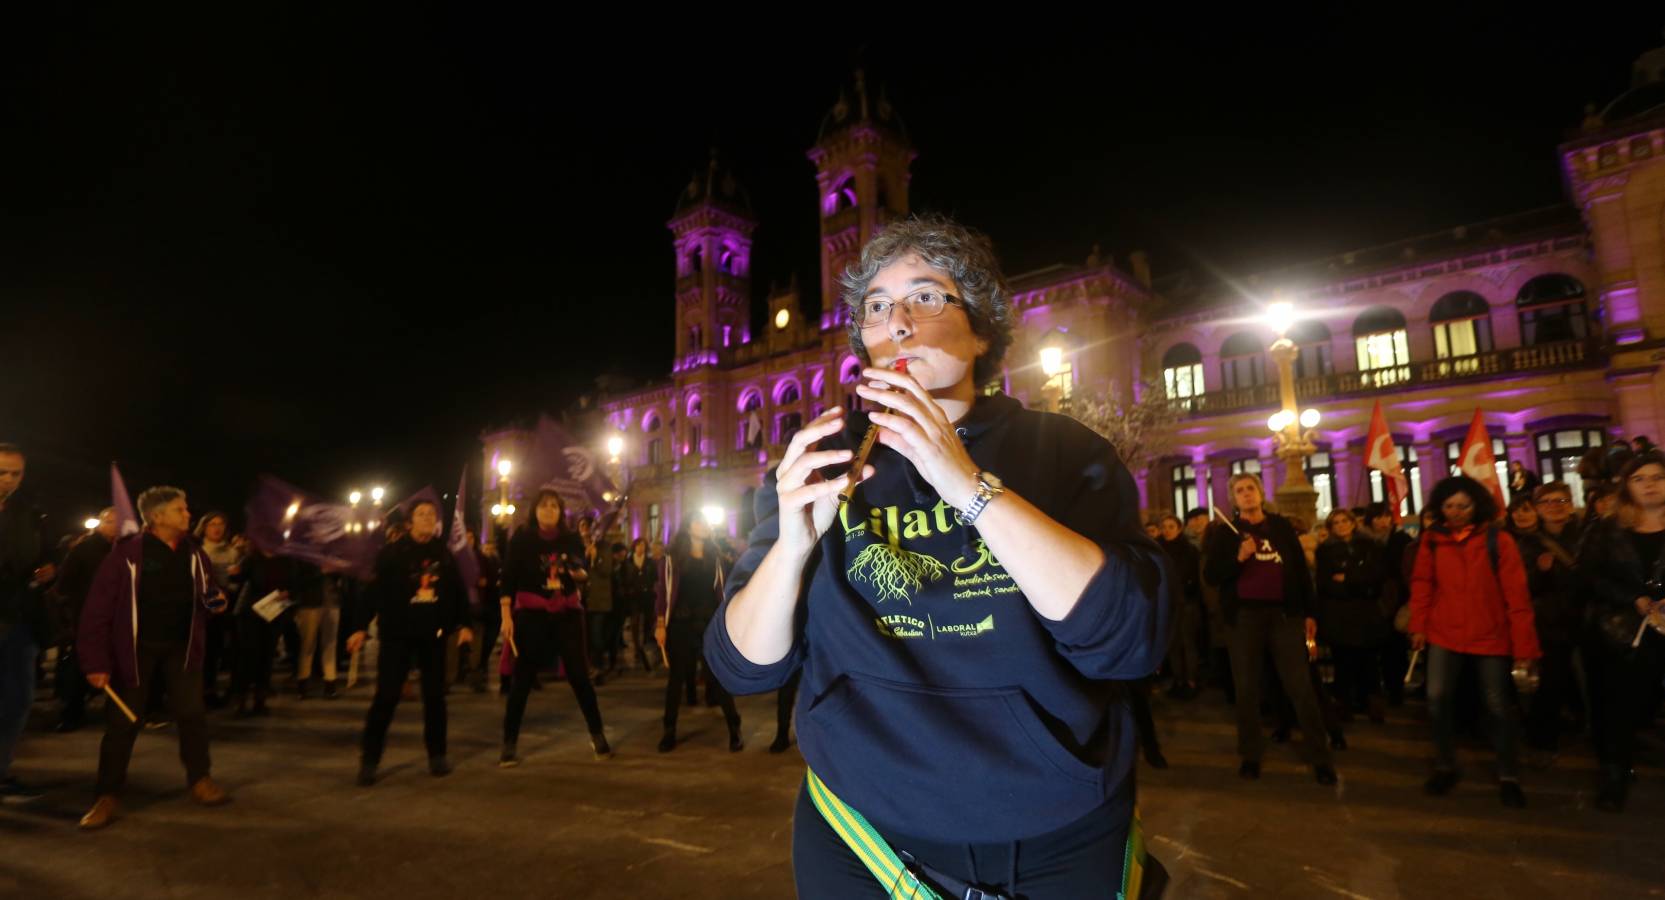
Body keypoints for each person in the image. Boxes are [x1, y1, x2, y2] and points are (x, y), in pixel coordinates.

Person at [706, 216, 1169, 896]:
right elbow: (742, 667)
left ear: (982, 329)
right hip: (860, 833)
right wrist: (792, 545)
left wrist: (966, 485)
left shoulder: (1064, 453)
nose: (896, 322)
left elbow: (1128, 641)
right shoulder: (824, 463)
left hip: (1054, 834)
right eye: (874, 306)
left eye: (925, 297)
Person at [76, 486, 230, 829]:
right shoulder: (127, 555)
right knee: (122, 723)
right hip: (135, 652)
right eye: (180, 509)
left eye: (186, 508)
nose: (188, 514)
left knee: (192, 715)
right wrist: (96, 663)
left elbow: (209, 593)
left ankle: (200, 779)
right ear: (157, 517)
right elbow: (96, 612)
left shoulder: (194, 553)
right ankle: (107, 795)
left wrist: (216, 601)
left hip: (182, 649)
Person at [1409, 475, 1539, 808]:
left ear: (1476, 505)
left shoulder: (1499, 540)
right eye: (1449, 506)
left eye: (1463, 505)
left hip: (1490, 634)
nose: (1455, 512)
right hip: (1444, 631)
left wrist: (1524, 647)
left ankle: (1508, 773)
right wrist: (1418, 626)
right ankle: (1445, 764)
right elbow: (1423, 584)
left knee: (1496, 707)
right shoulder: (1432, 540)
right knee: (1437, 700)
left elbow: (1517, 596)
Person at [1203, 474, 1336, 784]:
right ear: (1233, 500)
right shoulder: (1226, 534)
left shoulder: (1280, 526)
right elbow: (1212, 575)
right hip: (1245, 619)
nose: (1246, 494)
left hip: (1284, 616)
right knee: (1247, 689)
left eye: (1251, 488)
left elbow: (1300, 572)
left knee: (1300, 687)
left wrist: (1308, 612)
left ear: (1261, 493)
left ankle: (1320, 756)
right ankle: (1250, 754)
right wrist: (1238, 557)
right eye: (1239, 491)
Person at [348, 498, 473, 785]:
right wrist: (359, 627)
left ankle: (437, 755)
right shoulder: (392, 553)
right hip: (397, 635)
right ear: (410, 522)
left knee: (435, 697)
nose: (428, 518)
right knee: (386, 697)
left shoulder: (442, 553)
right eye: (422, 514)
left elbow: (456, 591)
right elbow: (372, 592)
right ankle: (370, 759)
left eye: (432, 514)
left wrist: (464, 623)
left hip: (432, 635)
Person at [1576, 450, 1665, 811]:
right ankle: (1615, 771)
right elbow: (1587, 576)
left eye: (1658, 477)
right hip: (1620, 632)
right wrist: (1634, 598)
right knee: (1617, 705)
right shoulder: (1607, 528)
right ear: (1627, 485)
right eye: (1639, 478)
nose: (1650, 486)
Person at [497, 490, 609, 766]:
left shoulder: (570, 539)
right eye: (544, 506)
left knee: (580, 677)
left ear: (561, 512)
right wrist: (506, 617)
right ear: (535, 510)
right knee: (522, 680)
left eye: (554, 507)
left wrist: (579, 572)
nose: (549, 511)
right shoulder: (522, 539)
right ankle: (509, 743)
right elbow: (508, 578)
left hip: (566, 613)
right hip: (532, 614)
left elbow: (581, 572)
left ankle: (598, 735)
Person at [1506, 490, 1583, 760]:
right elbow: (1520, 587)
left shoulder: (1587, 536)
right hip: (1550, 621)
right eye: (1546, 502)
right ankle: (1542, 737)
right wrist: (1540, 572)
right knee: (1551, 680)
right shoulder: (1528, 544)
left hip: (1586, 618)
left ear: (1571, 505)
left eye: (1560, 501)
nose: (1554, 507)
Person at [656, 513, 742, 752]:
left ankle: (734, 727)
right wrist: (660, 624)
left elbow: (723, 591)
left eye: (706, 521)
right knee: (676, 679)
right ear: (687, 526)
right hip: (681, 624)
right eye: (699, 521)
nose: (704, 525)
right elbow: (662, 593)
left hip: (709, 623)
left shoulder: (716, 558)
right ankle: (669, 730)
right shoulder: (672, 559)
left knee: (717, 675)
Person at [0, 443, 55, 804]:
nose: (8, 479)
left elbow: (40, 555)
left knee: (17, 699)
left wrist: (47, 570)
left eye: (16, 473)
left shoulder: (28, 510)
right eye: (2, 472)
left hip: (18, 621)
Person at [1315, 509, 1391, 723]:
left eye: (1344, 521)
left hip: (1366, 614)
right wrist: (1358, 582)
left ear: (1352, 523)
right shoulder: (1325, 551)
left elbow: (1376, 576)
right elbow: (1326, 584)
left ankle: (1373, 705)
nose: (1341, 525)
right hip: (1340, 615)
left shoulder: (1370, 546)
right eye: (1335, 522)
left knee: (1369, 662)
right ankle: (1344, 706)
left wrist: (1347, 578)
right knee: (1343, 663)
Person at [48, 508, 119, 733]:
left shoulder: (129, 549)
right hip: (89, 616)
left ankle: (114, 711)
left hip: (119, 617)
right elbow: (65, 583)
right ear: (100, 523)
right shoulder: (84, 549)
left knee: (118, 663)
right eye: (110, 521)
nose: (115, 526)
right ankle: (72, 712)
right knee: (82, 665)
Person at [195, 513, 242, 707]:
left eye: (220, 524)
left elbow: (237, 583)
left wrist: (236, 579)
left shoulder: (232, 552)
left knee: (215, 651)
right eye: (212, 524)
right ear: (204, 527)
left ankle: (210, 690)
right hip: (200, 608)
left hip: (224, 606)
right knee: (200, 652)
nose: (217, 528)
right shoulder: (198, 550)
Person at [1157, 513, 1202, 698]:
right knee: (1173, 644)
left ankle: (1191, 680)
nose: (1167, 531)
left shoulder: (1189, 550)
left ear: (1179, 528)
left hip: (1186, 601)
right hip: (1167, 602)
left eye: (1171, 527)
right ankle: (1178, 679)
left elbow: (1192, 575)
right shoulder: (1158, 549)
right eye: (1164, 527)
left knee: (1187, 643)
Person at [618, 537, 659, 673]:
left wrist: (652, 588)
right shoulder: (628, 562)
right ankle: (637, 647)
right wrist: (626, 590)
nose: (641, 548)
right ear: (634, 547)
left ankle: (644, 642)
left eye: (643, 545)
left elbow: (655, 577)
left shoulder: (650, 562)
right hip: (633, 596)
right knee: (635, 622)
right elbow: (623, 578)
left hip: (647, 596)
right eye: (638, 545)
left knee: (647, 621)